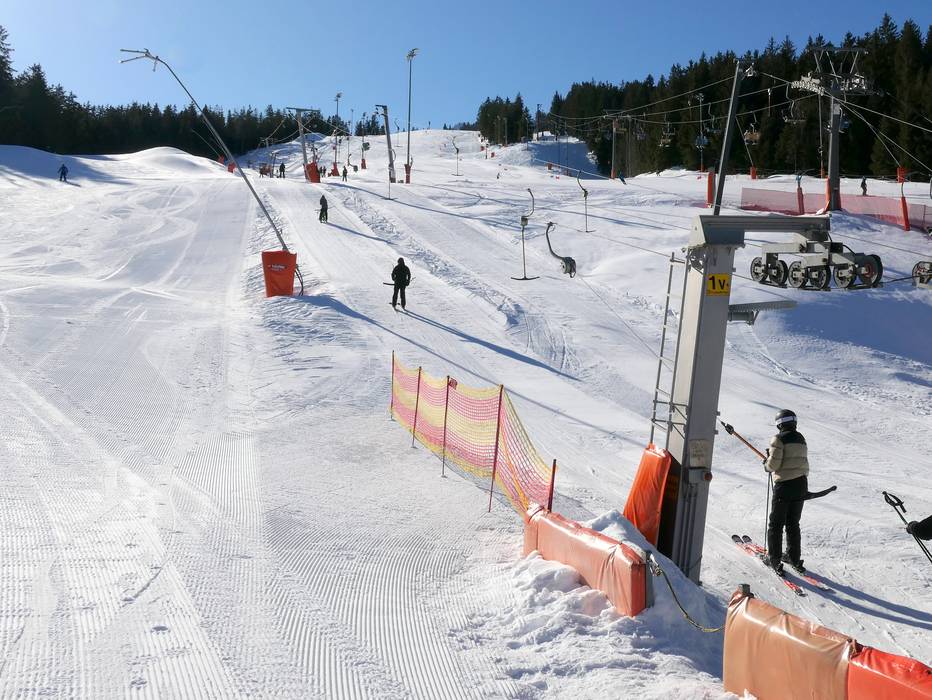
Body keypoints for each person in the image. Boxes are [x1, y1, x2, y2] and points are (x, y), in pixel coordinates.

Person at [763, 409, 810, 575]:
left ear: (779, 424)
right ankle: (793, 557)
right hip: (801, 484)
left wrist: (767, 464)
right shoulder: (801, 438)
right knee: (792, 523)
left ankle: (774, 559)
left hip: (784, 485)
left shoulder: (778, 439)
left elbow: (773, 465)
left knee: (776, 524)